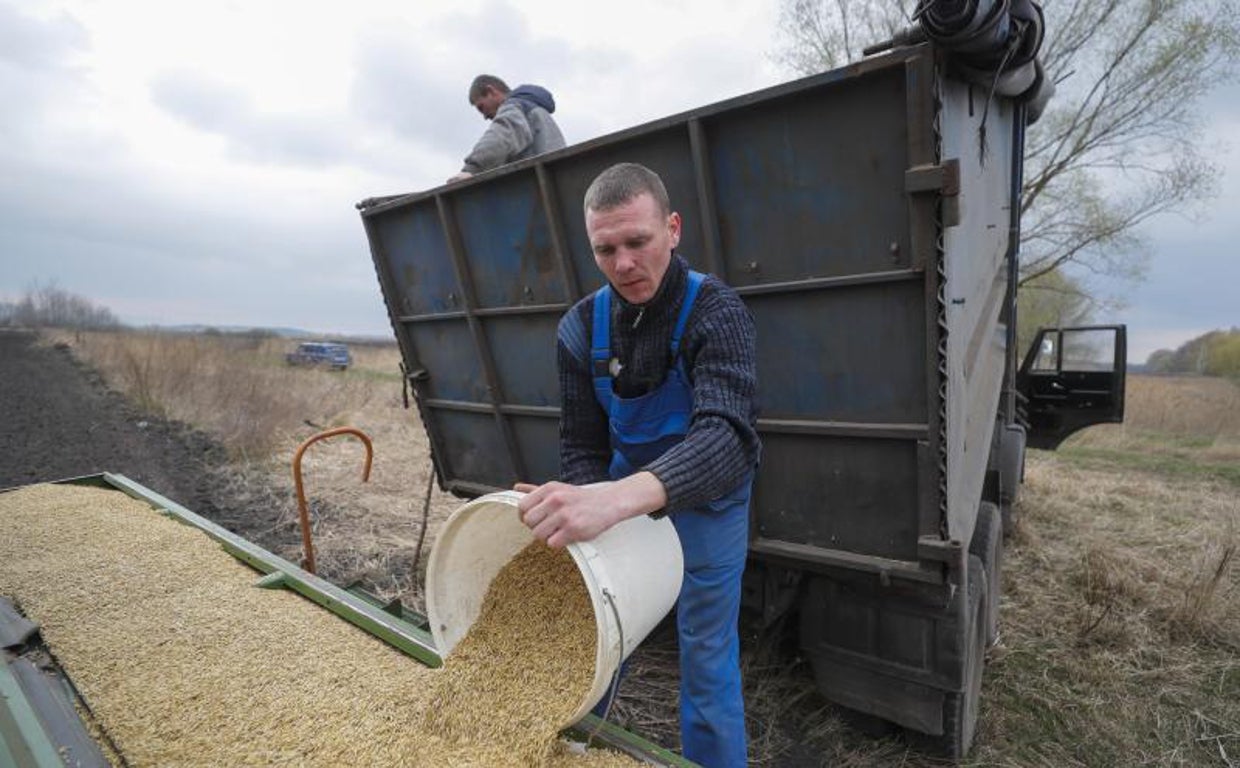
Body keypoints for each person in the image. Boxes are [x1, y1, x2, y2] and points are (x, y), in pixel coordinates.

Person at [515, 162, 759, 767]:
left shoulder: (716, 311)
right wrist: (585, 502)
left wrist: (615, 500)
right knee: (593, 639)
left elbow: (728, 438)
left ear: (672, 229)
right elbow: (582, 447)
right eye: (606, 249)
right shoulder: (580, 327)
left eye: (637, 242)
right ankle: (568, 752)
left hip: (708, 510)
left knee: (705, 657)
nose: (623, 263)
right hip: (618, 508)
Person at [447, 75, 566, 184]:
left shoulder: (514, 107)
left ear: (491, 91)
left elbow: (500, 137)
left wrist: (471, 169)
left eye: (481, 107)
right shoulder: (535, 110)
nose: (484, 116)